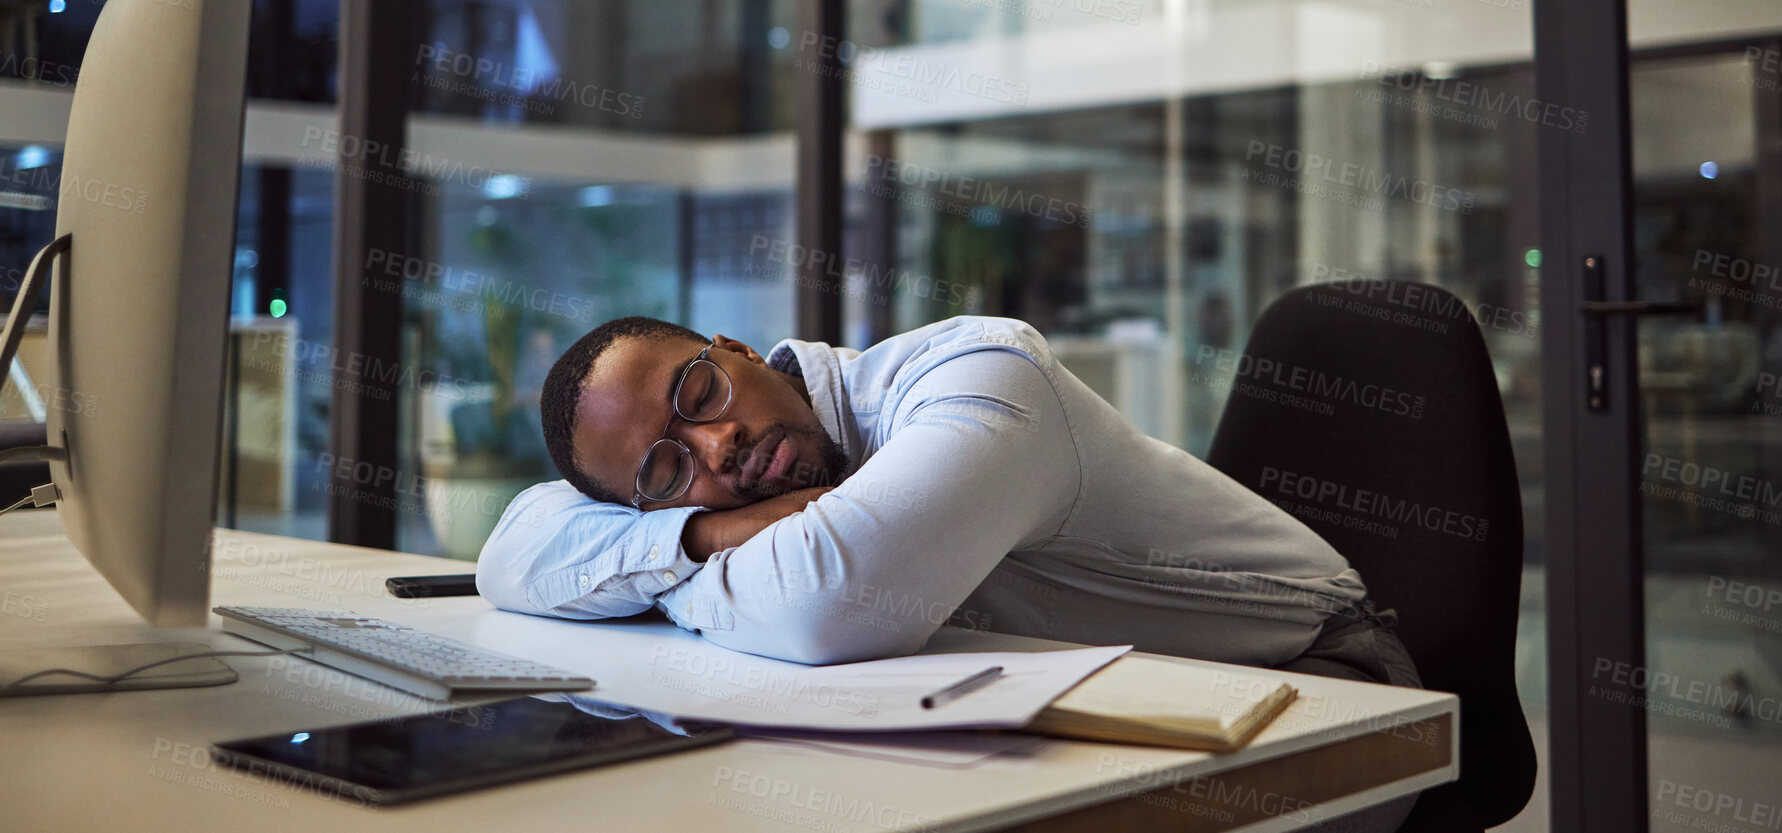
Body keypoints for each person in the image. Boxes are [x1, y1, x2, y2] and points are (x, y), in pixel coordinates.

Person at [478, 314, 1423, 833]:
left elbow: (823, 605)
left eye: (700, 392)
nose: (718, 444)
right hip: (1065, 698)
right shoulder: (707, 511)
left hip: (1318, 688)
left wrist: (672, 552)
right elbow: (512, 550)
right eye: (666, 470)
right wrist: (703, 537)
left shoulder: (981, 374)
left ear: (732, 346)